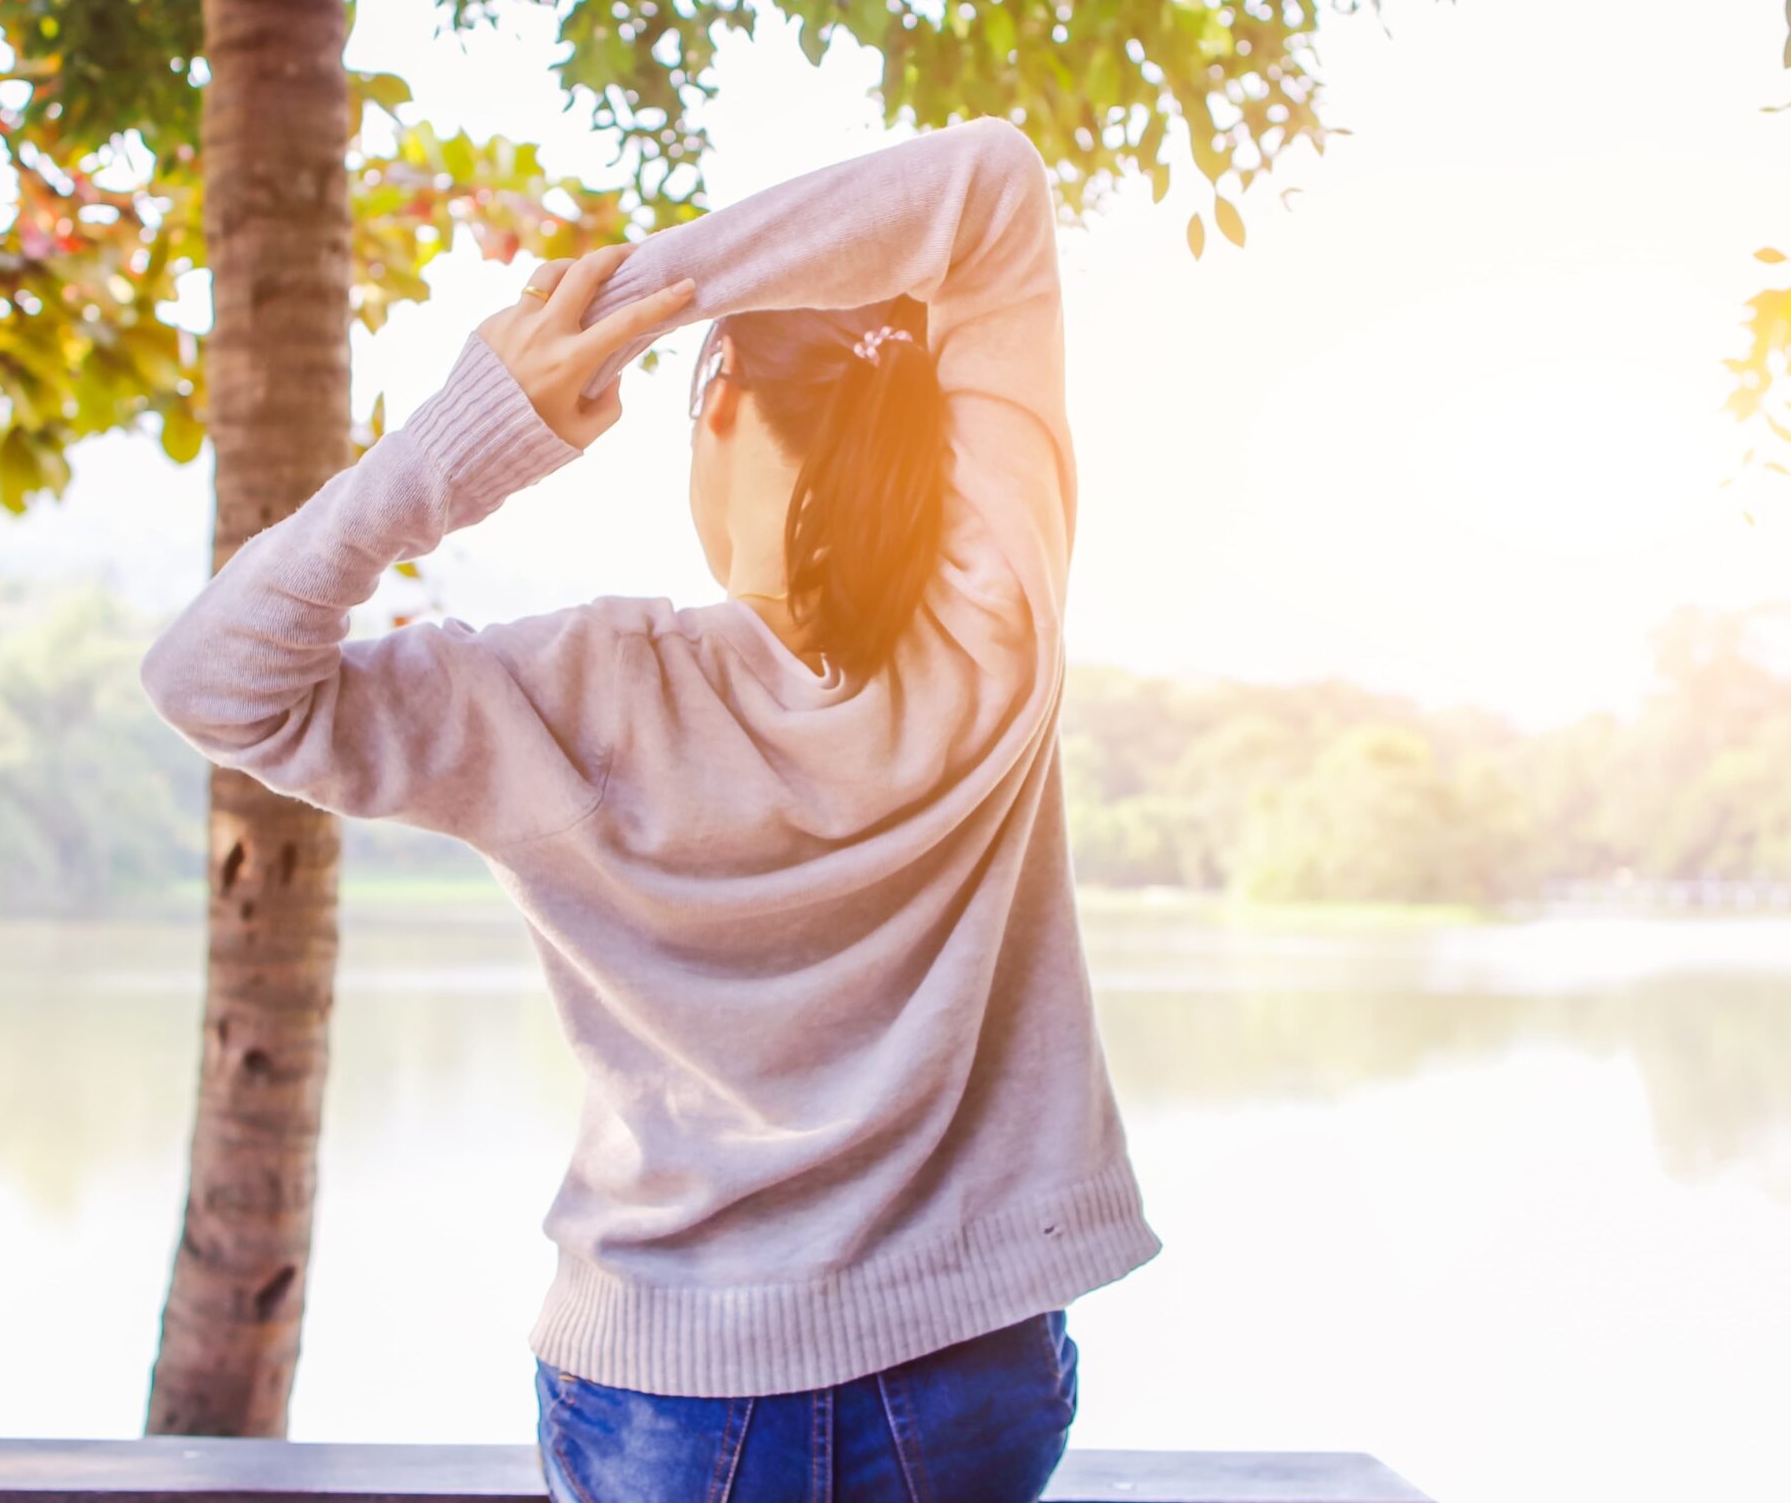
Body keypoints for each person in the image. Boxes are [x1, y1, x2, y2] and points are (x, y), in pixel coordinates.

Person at [140, 117, 1160, 1502]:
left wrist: (486, 413)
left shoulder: (570, 699)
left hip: (670, 1389)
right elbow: (993, 186)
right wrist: (660, 296)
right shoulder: (994, 640)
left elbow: (214, 676)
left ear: (723, 391)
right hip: (968, 1357)